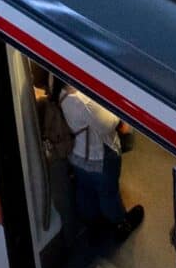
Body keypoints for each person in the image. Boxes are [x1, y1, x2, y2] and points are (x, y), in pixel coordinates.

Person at [57, 81, 141, 241]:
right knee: (109, 194)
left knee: (84, 190)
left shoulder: (59, 87)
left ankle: (93, 224)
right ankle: (120, 223)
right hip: (99, 156)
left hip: (76, 153)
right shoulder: (83, 100)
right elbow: (110, 123)